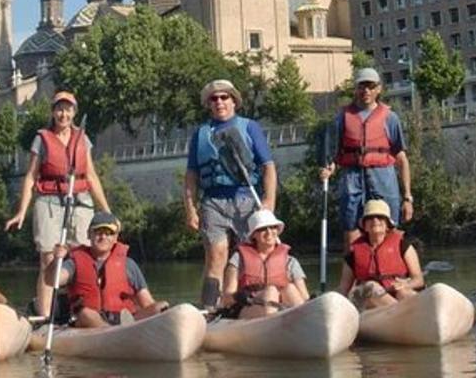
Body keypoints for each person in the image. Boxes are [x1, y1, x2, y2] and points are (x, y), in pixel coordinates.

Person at [5, 90, 111, 316]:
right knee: (49, 258)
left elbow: (91, 175)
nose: (64, 114)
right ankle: (44, 316)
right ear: (53, 112)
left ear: (74, 112)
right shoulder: (41, 139)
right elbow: (31, 176)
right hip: (50, 202)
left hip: (80, 201)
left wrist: (106, 210)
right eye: (60, 109)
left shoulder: (82, 138)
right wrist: (22, 211)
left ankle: (82, 311)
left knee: (81, 257)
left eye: (68, 109)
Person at [183, 78, 277, 309]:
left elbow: (268, 167)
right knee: (216, 255)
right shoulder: (201, 134)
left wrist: (269, 200)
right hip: (213, 201)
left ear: (234, 101)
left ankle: (247, 303)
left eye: (224, 97)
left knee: (247, 255)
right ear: (209, 104)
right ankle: (209, 308)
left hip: (246, 198)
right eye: (214, 99)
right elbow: (191, 176)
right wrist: (190, 209)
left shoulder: (249, 127)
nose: (219, 102)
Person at [319, 67, 414, 247]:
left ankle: (391, 268)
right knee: (351, 226)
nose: (366, 91)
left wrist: (408, 197)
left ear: (379, 89)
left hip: (383, 176)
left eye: (371, 86)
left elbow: (401, 158)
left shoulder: (390, 118)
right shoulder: (342, 118)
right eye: (362, 86)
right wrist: (329, 168)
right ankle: (354, 271)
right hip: (352, 177)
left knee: (390, 224)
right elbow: (335, 153)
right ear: (355, 89)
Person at [48, 211, 171, 328]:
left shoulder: (129, 264)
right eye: (98, 232)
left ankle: (127, 328)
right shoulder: (74, 262)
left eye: (109, 233)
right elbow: (53, 280)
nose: (103, 237)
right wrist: (56, 260)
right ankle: (114, 331)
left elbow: (147, 302)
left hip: (123, 318)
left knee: (161, 306)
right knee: (86, 314)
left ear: (116, 238)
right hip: (88, 320)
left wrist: (158, 312)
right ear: (88, 234)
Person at [219, 209, 309, 318]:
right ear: (253, 235)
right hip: (248, 309)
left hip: (282, 311)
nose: (269, 232)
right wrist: (238, 296)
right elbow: (226, 299)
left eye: (273, 227)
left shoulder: (290, 261)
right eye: (262, 229)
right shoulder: (238, 259)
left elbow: (304, 298)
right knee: (270, 292)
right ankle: (272, 328)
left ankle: (303, 322)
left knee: (290, 288)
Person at [337, 199, 425, 309]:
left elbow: (419, 280)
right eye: (370, 218)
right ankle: (402, 312)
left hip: (395, 295)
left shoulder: (403, 245)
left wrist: (405, 284)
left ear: (387, 224)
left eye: (380, 217)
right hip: (367, 301)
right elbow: (343, 288)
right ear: (364, 226)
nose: (375, 220)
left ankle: (412, 313)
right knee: (371, 287)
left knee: (404, 293)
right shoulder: (353, 252)